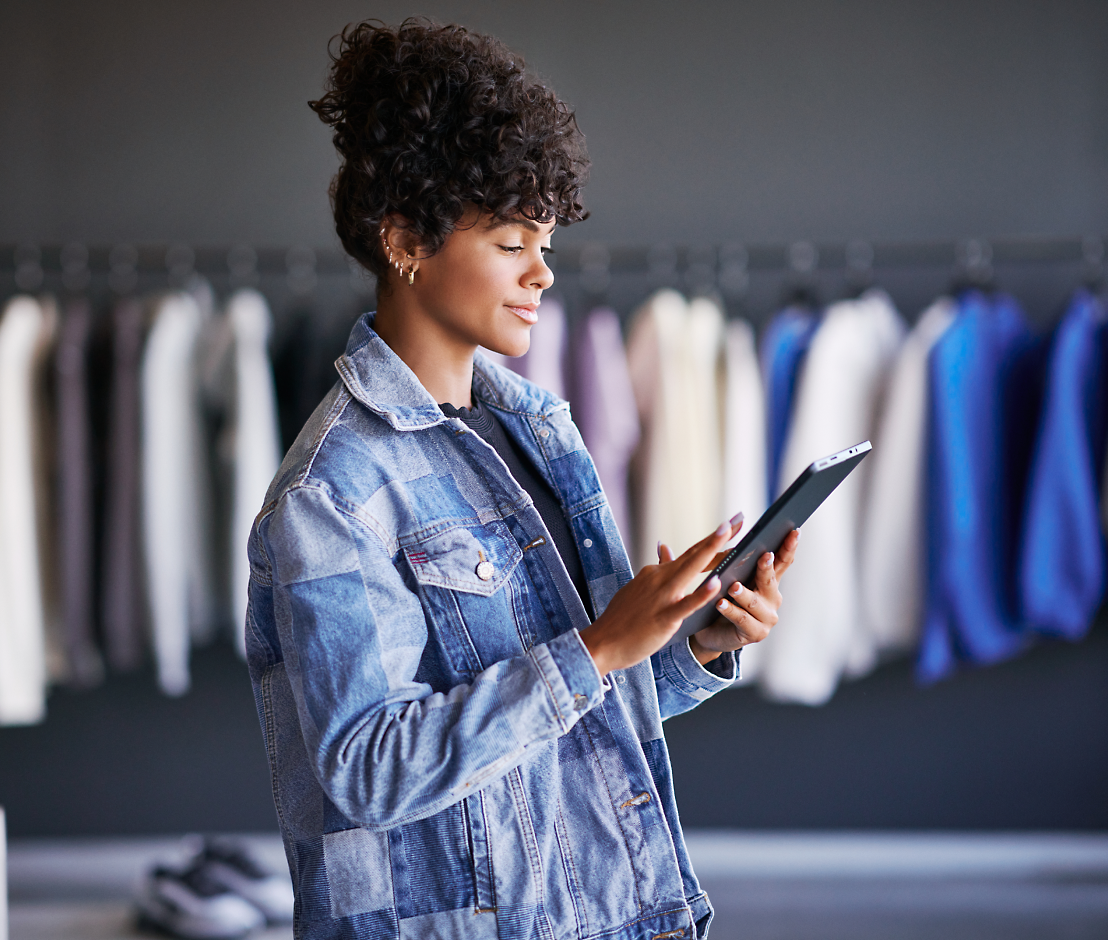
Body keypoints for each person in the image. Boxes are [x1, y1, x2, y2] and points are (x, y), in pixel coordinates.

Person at [246, 19, 801, 940]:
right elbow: (369, 767)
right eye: (512, 243)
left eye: (544, 240)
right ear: (404, 242)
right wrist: (599, 648)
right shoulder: (330, 493)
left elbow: (572, 713)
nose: (543, 273)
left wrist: (688, 645)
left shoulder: (535, 427)